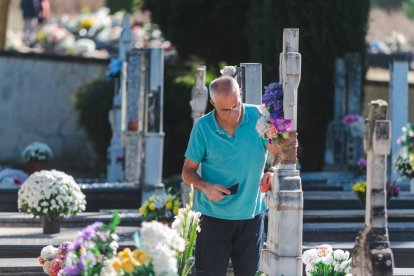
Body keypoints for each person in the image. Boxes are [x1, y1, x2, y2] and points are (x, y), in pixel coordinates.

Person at [182, 76, 279, 275]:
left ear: (240, 94)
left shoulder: (260, 118)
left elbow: (279, 154)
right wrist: (206, 187)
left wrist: (272, 172)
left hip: (251, 214)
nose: (233, 114)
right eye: (225, 110)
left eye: (236, 106)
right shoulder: (203, 128)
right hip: (212, 218)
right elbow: (188, 172)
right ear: (212, 103)